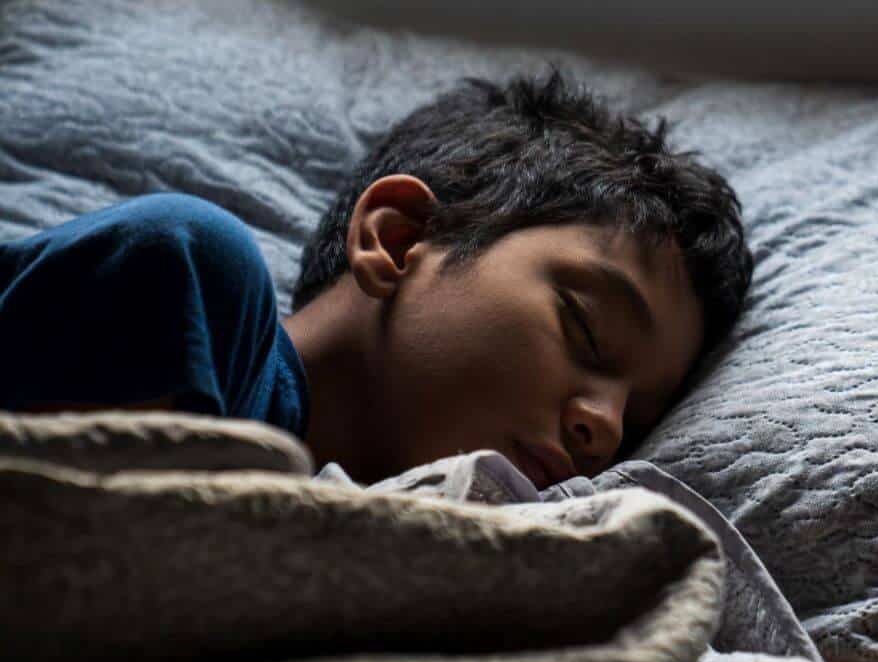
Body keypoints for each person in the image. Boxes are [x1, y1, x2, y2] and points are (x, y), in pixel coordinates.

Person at [0, 68, 752, 489]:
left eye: (639, 421)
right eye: (586, 330)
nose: (606, 428)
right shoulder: (189, 272)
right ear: (398, 239)